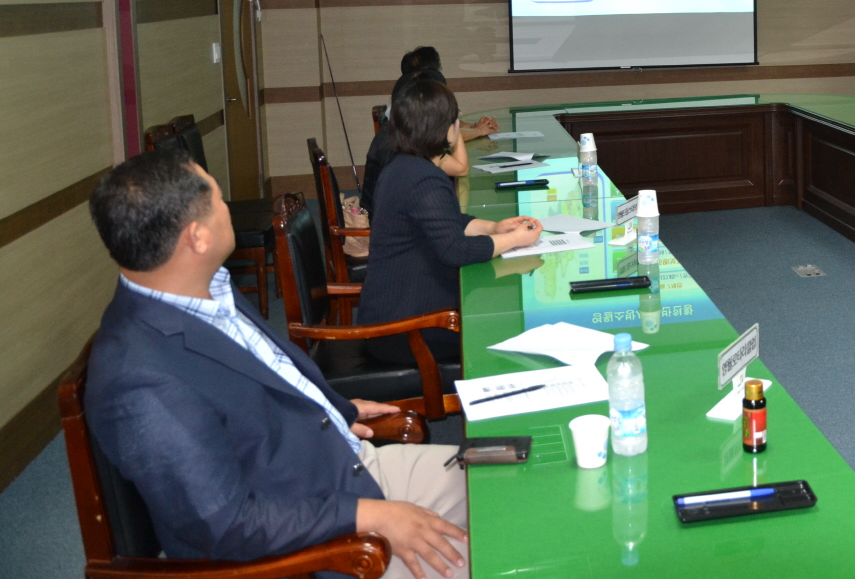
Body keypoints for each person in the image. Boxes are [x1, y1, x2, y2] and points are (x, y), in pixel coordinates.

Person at [85, 148, 471, 579]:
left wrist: (334, 409)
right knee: (503, 555)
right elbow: (227, 525)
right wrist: (370, 516)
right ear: (198, 238)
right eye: (218, 201)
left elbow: (258, 383)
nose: (227, 209)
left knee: (510, 483)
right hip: (320, 543)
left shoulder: (202, 288)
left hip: (342, 463)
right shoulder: (138, 380)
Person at [358, 78, 541, 365]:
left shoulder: (403, 166)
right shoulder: (425, 178)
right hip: (409, 329)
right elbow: (456, 250)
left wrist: (493, 228)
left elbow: (446, 220)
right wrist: (514, 239)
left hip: (396, 313)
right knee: (505, 335)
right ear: (449, 130)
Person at [361, 47, 499, 216]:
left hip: (384, 216)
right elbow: (461, 168)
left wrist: (466, 125)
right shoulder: (413, 146)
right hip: (387, 222)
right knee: (458, 191)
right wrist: (460, 125)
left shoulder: (402, 128)